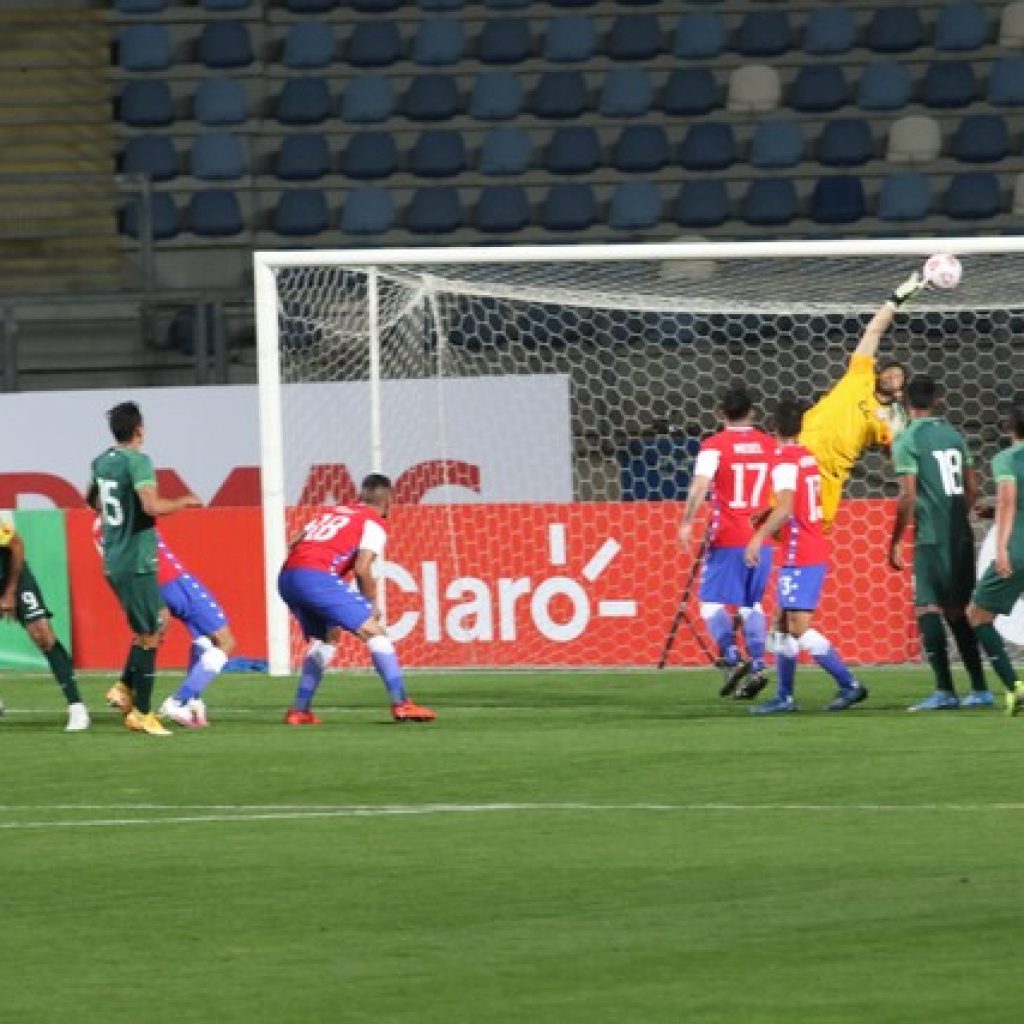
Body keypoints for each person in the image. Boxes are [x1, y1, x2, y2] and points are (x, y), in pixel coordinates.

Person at [278, 472, 435, 725]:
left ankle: (300, 710)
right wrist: (371, 603)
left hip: (287, 577)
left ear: (361, 495)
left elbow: (294, 542)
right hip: (316, 577)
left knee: (328, 638)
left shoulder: (334, 512)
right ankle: (402, 703)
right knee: (375, 633)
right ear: (388, 501)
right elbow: (362, 568)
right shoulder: (374, 522)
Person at [744, 398, 868, 713]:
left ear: (772, 429)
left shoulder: (784, 462)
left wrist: (758, 538)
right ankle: (784, 697)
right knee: (783, 623)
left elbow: (786, 509)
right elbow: (794, 503)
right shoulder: (806, 457)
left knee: (797, 627)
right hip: (806, 547)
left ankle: (849, 684)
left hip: (802, 552)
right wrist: (768, 512)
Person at [88, 401, 200, 736]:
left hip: (115, 557)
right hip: (135, 559)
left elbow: (90, 499)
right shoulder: (139, 461)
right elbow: (151, 505)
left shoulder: (101, 461)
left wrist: (117, 519)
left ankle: (123, 687)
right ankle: (143, 712)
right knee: (151, 633)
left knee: (159, 619)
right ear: (140, 429)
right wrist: (185, 502)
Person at [889, 374, 991, 711]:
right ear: (938, 400)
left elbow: (907, 495)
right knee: (958, 612)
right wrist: (958, 519)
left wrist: (896, 541)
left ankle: (945, 690)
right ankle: (979, 688)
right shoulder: (954, 435)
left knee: (926, 607)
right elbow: (972, 489)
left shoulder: (907, 439)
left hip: (930, 536)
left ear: (906, 402)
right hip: (959, 535)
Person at [799, 270, 927, 530]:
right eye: (889, 369)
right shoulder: (861, 374)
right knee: (765, 526)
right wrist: (896, 299)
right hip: (799, 454)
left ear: (901, 393)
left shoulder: (891, 421)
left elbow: (899, 457)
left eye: (899, 375)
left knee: (809, 537)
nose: (892, 373)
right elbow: (873, 332)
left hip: (829, 476)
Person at [679, 385, 775, 698]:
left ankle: (732, 659)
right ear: (753, 414)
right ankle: (759, 663)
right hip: (761, 536)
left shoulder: (714, 446)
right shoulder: (770, 445)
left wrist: (686, 522)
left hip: (729, 535)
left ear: (720, 414)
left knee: (710, 603)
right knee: (752, 603)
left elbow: (700, 485)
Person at [92, 517, 234, 728]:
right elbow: (152, 506)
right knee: (225, 641)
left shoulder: (98, 528)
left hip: (148, 586)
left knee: (157, 635)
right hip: (174, 579)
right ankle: (180, 701)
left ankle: (132, 688)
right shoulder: (128, 510)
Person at [0, 514, 89, 731]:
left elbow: (17, 545)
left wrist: (10, 591)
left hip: (13, 575)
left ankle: (77, 707)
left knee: (42, 633)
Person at [968, 400, 1024, 716]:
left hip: (1018, 549)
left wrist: (1001, 548)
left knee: (978, 615)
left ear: (1009, 427)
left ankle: (1014, 686)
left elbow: (1007, 503)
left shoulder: (1007, 458)